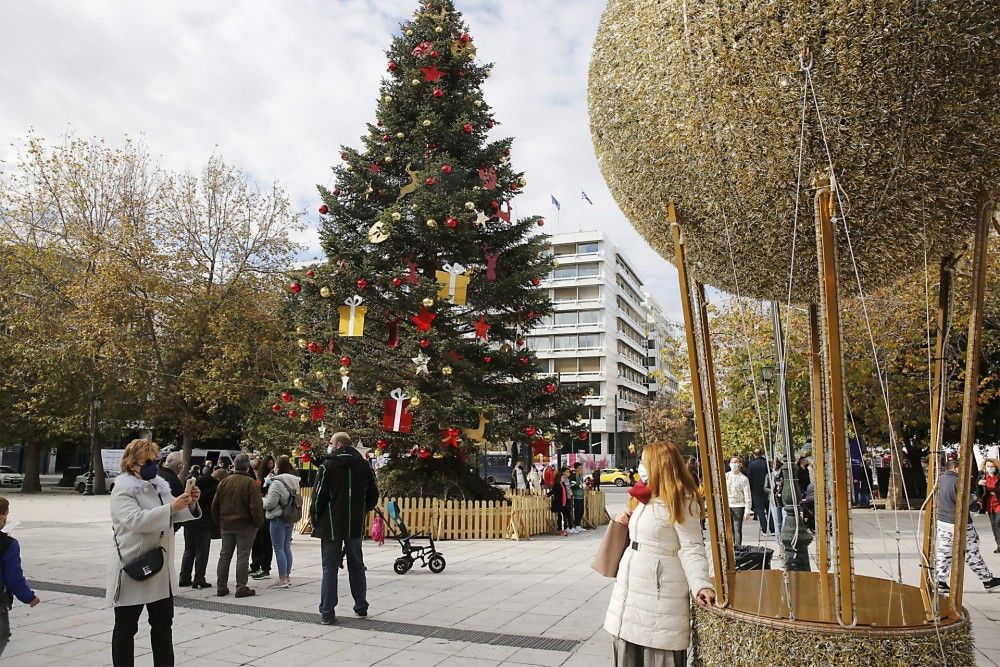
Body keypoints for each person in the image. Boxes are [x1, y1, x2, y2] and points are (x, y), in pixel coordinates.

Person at [605, 441, 715, 665]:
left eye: (644, 462)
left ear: (658, 465)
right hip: (630, 591)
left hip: (660, 594)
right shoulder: (644, 495)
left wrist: (701, 583)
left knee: (657, 650)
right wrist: (622, 519)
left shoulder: (682, 500)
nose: (640, 467)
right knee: (627, 648)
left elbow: (692, 546)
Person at [107, 439, 201, 667]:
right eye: (146, 461)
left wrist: (189, 503)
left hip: (160, 566)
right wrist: (171, 508)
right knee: (126, 629)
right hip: (134, 565)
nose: (152, 465)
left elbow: (174, 515)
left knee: (162, 627)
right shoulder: (122, 490)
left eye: (155, 460)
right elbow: (135, 521)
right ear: (132, 464)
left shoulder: (159, 486)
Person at [311, 432, 379, 625]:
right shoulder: (364, 466)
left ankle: (327, 612)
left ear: (339, 444)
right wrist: (361, 510)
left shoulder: (327, 466)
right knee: (357, 565)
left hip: (331, 524)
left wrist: (316, 519)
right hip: (354, 524)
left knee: (329, 568)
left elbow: (318, 497)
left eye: (331, 443)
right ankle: (361, 606)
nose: (329, 445)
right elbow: (373, 494)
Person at [936, 458, 1000, 592]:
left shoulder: (940, 480)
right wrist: (976, 503)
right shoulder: (958, 482)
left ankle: (940, 580)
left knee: (945, 551)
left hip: (943, 521)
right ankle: (987, 579)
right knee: (971, 549)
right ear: (956, 468)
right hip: (959, 523)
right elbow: (964, 501)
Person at [212, 453, 264, 598]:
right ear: (248, 466)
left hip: (226, 524)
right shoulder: (250, 483)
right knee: (243, 556)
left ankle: (221, 586)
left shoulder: (224, 482)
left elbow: (215, 505)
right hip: (245, 525)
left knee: (224, 556)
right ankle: (241, 587)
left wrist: (219, 522)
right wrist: (258, 523)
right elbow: (256, 506)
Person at [0, 497, 40, 658]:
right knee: (2, 634)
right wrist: (29, 597)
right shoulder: (8, 543)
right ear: (5, 514)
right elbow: (14, 577)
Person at [178, 466, 221, 589]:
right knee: (202, 552)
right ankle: (199, 579)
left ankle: (184, 577)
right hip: (203, 524)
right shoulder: (215, 488)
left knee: (188, 550)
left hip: (189, 521)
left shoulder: (197, 483)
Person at [263, 455, 301, 589]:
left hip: (278, 517)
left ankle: (282, 578)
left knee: (278, 548)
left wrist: (263, 500)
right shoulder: (295, 481)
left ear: (278, 467)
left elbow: (269, 504)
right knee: (286, 547)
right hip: (290, 516)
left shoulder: (277, 483)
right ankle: (287, 576)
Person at [250, 455, 275, 581]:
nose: (271, 465)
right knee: (256, 540)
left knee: (265, 540)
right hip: (259, 509)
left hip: (267, 510)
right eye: (269, 463)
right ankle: (255, 564)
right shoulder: (259, 477)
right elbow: (257, 488)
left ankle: (265, 566)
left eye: (272, 463)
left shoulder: (273, 476)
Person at [726, 457, 752, 548]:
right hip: (727, 505)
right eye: (732, 462)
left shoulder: (743, 478)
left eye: (736, 462)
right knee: (729, 529)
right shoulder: (726, 476)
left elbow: (747, 494)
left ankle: (737, 548)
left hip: (739, 506)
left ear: (740, 464)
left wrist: (747, 510)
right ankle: (730, 548)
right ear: (729, 464)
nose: (734, 464)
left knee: (737, 528)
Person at [747, 448, 773, 535]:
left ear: (753, 454)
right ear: (761, 454)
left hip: (756, 490)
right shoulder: (767, 463)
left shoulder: (751, 464)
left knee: (760, 510)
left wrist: (749, 490)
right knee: (769, 509)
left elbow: (749, 478)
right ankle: (772, 529)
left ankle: (764, 529)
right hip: (767, 489)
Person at [978, 458, 1000, 553]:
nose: (990, 468)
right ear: (985, 467)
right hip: (989, 503)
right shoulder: (982, 476)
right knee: (994, 525)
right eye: (988, 466)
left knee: (998, 522)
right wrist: (979, 484)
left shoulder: (999, 476)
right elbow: (978, 491)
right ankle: (998, 544)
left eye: (992, 466)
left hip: (998, 502)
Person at [548, 467, 573, 537]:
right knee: (561, 517)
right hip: (558, 504)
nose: (564, 479)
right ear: (559, 478)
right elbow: (552, 492)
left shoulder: (563, 485)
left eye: (564, 478)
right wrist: (546, 495)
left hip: (563, 504)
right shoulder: (557, 485)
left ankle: (564, 529)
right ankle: (560, 530)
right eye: (562, 478)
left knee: (564, 517)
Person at [570, 462, 588, 533]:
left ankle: (578, 525)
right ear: (576, 469)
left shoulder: (581, 476)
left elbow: (581, 484)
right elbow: (573, 486)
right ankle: (576, 525)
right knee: (577, 511)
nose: (581, 469)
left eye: (581, 468)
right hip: (576, 496)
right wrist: (580, 486)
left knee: (581, 511)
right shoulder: (574, 476)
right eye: (579, 468)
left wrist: (584, 486)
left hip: (581, 496)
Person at [770, 459, 785, 533]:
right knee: (777, 521)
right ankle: (778, 536)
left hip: (782, 498)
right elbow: (766, 487)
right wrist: (772, 491)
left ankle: (782, 532)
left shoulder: (783, 474)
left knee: (783, 518)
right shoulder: (770, 475)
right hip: (774, 499)